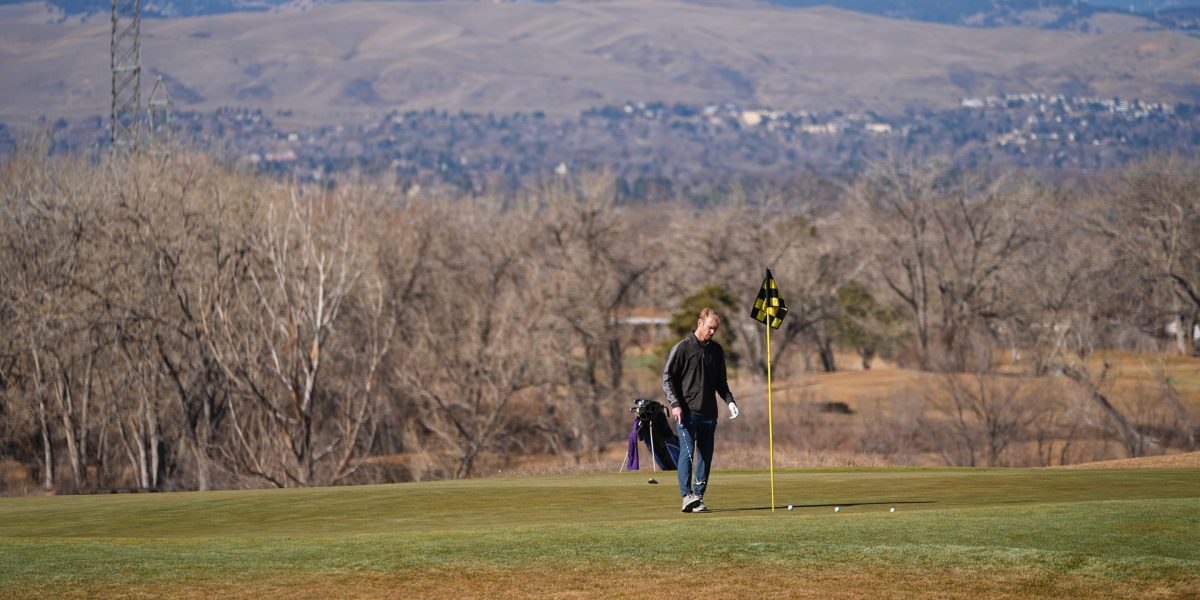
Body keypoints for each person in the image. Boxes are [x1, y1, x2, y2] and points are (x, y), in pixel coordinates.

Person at [661, 307, 739, 513]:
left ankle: (698, 497)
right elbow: (667, 378)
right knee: (687, 454)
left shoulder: (716, 351)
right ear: (699, 323)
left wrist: (730, 401)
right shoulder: (683, 348)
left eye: (715, 329)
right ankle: (686, 496)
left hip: (709, 414)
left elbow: (721, 382)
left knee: (705, 456)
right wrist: (675, 404)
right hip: (686, 413)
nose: (712, 332)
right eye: (709, 328)